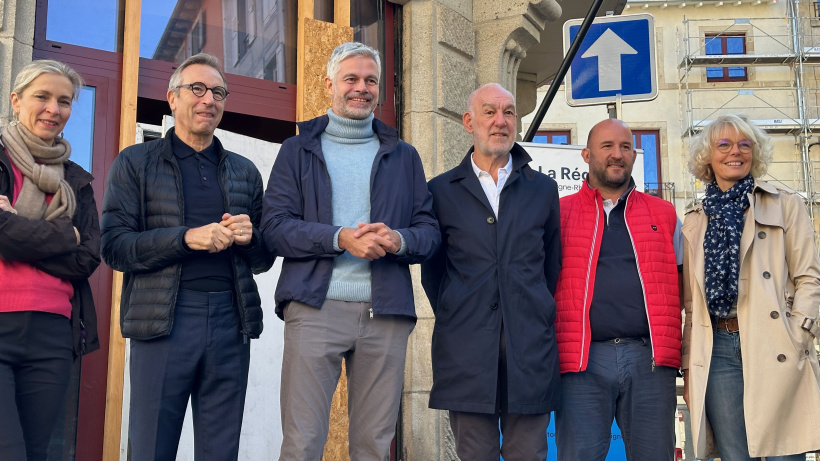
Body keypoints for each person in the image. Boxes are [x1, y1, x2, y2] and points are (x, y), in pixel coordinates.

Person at [261, 41, 439, 461]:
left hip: (387, 313)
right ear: (329, 85)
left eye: (370, 80)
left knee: (373, 447)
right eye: (352, 79)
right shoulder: (297, 150)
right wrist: (340, 237)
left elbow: (429, 233)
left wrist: (398, 240)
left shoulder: (404, 156)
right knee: (302, 443)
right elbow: (275, 229)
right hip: (314, 307)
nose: (362, 88)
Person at [100, 53, 272, 461]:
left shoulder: (245, 171)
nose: (208, 100)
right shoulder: (135, 162)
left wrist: (252, 239)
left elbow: (264, 259)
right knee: (151, 448)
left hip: (232, 323)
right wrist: (185, 238)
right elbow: (114, 246)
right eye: (196, 89)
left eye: (217, 92)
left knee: (220, 450)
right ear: (172, 99)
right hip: (163, 323)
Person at [420, 83, 561, 461]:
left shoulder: (543, 190)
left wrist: (530, 309)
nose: (501, 121)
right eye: (489, 112)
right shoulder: (440, 191)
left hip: (529, 352)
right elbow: (434, 274)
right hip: (465, 354)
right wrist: (459, 309)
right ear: (469, 121)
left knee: (529, 454)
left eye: (509, 112)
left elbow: (551, 267)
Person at [681, 114, 820, 461]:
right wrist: (689, 359)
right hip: (718, 349)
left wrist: (799, 333)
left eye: (745, 144)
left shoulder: (785, 203)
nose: (736, 152)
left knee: (783, 454)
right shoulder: (695, 219)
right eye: (724, 144)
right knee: (735, 455)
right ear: (708, 157)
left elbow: (809, 277)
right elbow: (691, 303)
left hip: (775, 343)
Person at [553, 118, 682, 461]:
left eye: (625, 147)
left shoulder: (664, 213)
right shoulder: (558, 214)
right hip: (582, 361)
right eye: (607, 146)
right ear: (586, 155)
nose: (617, 154)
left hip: (650, 361)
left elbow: (685, 286)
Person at [0, 59, 100, 461]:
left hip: (53, 335)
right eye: (42, 96)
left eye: (64, 101)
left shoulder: (77, 179)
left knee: (36, 453)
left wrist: (16, 231)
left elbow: (88, 256)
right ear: (16, 100)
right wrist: (64, 235)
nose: (53, 109)